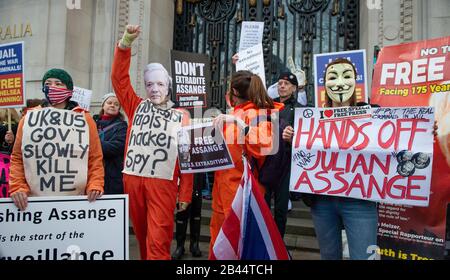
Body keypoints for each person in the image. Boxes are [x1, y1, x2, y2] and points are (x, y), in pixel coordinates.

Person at [111, 25, 193, 260]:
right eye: (149, 84)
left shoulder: (182, 116)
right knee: (143, 239)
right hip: (133, 181)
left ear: (168, 86)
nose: (154, 89)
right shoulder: (135, 106)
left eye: (159, 84)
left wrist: (185, 193)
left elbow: (187, 158)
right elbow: (119, 79)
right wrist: (125, 43)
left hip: (163, 185)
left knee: (158, 242)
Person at [283, 58, 378, 260]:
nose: (339, 82)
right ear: (324, 84)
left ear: (355, 81)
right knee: (329, 256)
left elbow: (399, 140)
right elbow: (304, 159)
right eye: (332, 77)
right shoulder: (311, 119)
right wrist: (293, 140)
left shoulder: (373, 114)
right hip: (322, 201)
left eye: (346, 76)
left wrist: (423, 131)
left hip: (359, 201)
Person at [209, 70, 284, 256]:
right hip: (223, 190)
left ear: (234, 91)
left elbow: (265, 144)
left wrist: (239, 123)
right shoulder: (235, 113)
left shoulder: (259, 114)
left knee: (236, 246)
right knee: (221, 244)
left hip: (241, 193)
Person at [9, 68, 104, 211]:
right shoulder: (28, 118)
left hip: (75, 202)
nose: (52, 87)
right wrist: (17, 187)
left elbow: (95, 157)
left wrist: (95, 184)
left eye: (58, 84)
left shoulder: (85, 119)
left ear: (69, 90)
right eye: (48, 83)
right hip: (33, 202)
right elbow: (17, 157)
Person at [265, 71, 304, 238]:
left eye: (286, 84)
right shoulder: (268, 106)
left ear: (294, 88)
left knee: (281, 209)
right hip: (266, 162)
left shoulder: (300, 110)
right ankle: (264, 241)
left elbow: (303, 139)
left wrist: (292, 138)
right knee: (263, 206)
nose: (282, 86)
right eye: (280, 83)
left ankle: (278, 244)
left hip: (286, 164)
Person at [94, 93, 127, 194]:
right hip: (94, 173)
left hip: (112, 175)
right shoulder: (92, 123)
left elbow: (118, 146)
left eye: (116, 104)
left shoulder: (122, 126)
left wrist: (94, 145)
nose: (113, 105)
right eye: (109, 103)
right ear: (103, 105)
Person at [172, 173, 205, 259]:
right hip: (183, 183)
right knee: (181, 215)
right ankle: (180, 246)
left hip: (197, 181)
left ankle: (194, 245)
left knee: (196, 215)